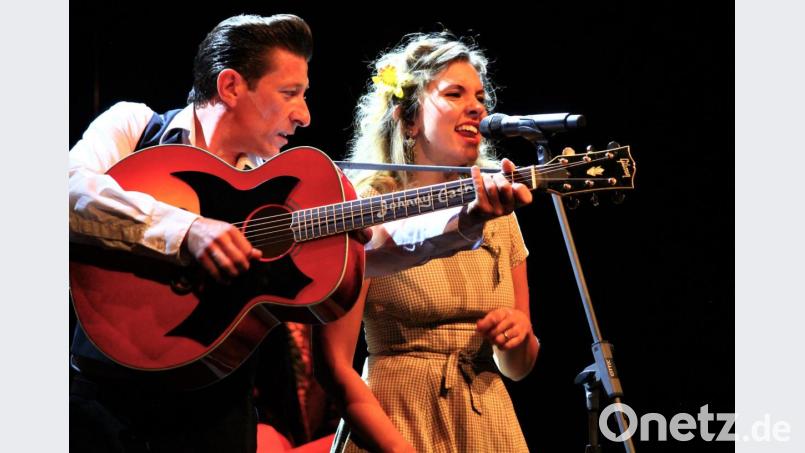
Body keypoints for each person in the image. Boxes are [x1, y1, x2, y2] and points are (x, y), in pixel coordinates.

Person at [69, 15, 533, 453]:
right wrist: (187, 229)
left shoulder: (279, 191)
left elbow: (369, 247)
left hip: (216, 416)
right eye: (290, 93)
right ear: (231, 86)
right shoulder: (135, 128)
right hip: (100, 402)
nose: (305, 115)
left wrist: (463, 222)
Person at [314, 32, 540, 452]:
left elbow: (518, 367)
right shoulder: (367, 207)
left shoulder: (497, 206)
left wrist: (519, 337)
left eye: (479, 96)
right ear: (411, 119)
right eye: (454, 93)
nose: (477, 106)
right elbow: (332, 367)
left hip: (486, 423)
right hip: (395, 419)